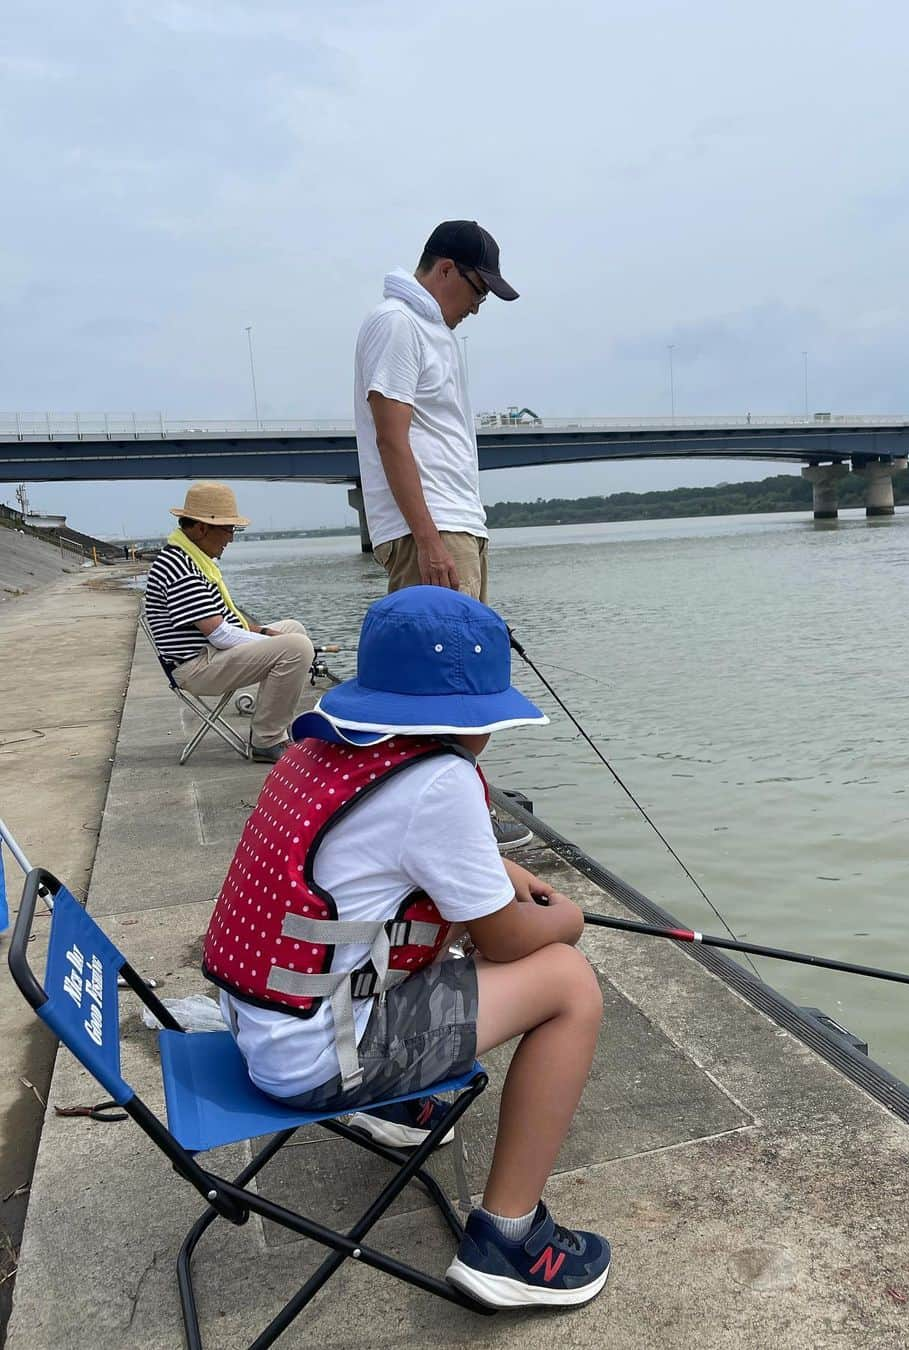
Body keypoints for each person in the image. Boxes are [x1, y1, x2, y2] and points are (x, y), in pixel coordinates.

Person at [202, 586, 610, 1308]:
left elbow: (393, 855)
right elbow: (510, 939)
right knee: (568, 982)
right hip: (316, 1059)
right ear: (472, 715)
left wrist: (500, 872)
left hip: (263, 1027)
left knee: (447, 947)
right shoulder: (440, 781)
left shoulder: (325, 744)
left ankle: (393, 1109)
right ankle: (509, 1243)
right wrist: (567, 917)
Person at [353, 219, 518, 604]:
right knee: (442, 663)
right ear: (445, 269)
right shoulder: (397, 323)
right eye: (478, 292)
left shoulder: (432, 330)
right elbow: (390, 439)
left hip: (458, 524)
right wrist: (428, 541)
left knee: (467, 661)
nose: (477, 308)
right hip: (434, 530)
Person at [143, 482, 315, 763]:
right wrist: (272, 641)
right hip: (196, 666)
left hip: (209, 654)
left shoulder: (192, 558)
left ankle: (271, 724)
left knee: (293, 629)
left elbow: (226, 620)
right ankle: (267, 740)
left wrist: (264, 632)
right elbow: (221, 634)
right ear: (201, 528)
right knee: (296, 647)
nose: (231, 538)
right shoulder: (180, 566)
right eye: (228, 529)